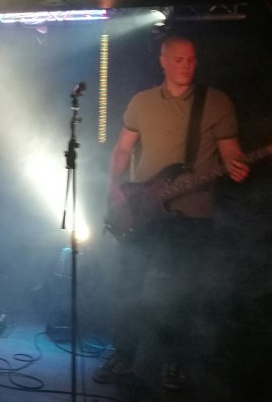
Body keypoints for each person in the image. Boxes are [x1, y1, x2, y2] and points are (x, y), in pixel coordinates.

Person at [95, 36, 250, 392]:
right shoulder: (142, 101)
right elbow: (122, 150)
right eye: (178, 59)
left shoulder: (216, 102)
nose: (186, 65)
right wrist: (113, 185)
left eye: (191, 59)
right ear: (162, 61)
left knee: (180, 291)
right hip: (142, 210)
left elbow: (232, 152)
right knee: (128, 285)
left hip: (192, 215)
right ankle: (122, 354)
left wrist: (238, 165)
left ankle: (173, 362)